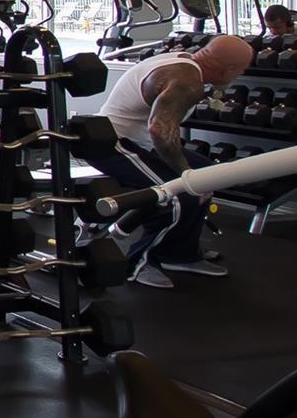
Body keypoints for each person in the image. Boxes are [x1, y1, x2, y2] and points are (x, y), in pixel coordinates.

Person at [93, 34, 255, 289]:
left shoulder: (184, 61)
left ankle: (179, 254)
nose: (242, 74)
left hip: (139, 143)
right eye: (241, 69)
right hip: (111, 143)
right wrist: (186, 174)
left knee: (208, 175)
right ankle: (139, 264)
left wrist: (195, 175)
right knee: (177, 193)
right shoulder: (186, 82)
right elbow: (159, 130)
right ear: (228, 69)